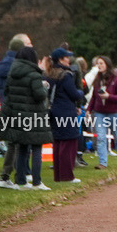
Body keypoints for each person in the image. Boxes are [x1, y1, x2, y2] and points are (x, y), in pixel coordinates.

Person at [0, 46, 52, 189]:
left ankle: (20, 181)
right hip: (34, 115)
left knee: (21, 147)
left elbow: (7, 92)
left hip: (17, 115)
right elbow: (39, 95)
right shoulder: (34, 74)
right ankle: (37, 181)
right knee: (36, 148)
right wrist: (44, 87)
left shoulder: (12, 74)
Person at [0, 34, 32, 187]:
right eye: (28, 44)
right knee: (22, 142)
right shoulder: (19, 66)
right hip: (19, 107)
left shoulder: (1, 66)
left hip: (6, 106)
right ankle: (21, 176)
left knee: (12, 142)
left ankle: (6, 176)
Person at [45, 48, 84, 183]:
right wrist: (80, 93)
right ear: (61, 59)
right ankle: (67, 176)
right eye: (67, 57)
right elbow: (73, 94)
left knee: (58, 143)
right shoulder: (65, 75)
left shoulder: (49, 74)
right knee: (69, 142)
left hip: (53, 112)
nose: (69, 59)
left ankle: (59, 175)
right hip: (66, 112)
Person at [86, 56, 117, 170]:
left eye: (101, 63)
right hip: (99, 112)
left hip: (114, 112)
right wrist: (89, 109)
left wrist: (109, 96)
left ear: (107, 64)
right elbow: (94, 96)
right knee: (101, 137)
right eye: (98, 64)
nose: (99, 66)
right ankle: (103, 163)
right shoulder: (97, 79)